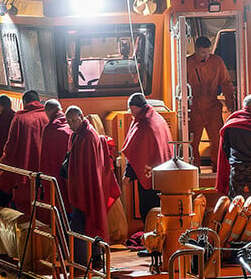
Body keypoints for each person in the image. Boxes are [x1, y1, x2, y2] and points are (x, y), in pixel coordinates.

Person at [65, 106, 115, 265]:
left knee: (83, 224)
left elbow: (85, 168)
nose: (71, 125)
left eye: (73, 120)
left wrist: (80, 191)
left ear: (81, 116)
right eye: (69, 122)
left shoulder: (85, 137)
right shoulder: (83, 133)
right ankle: (94, 257)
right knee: (90, 222)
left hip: (86, 189)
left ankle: (82, 262)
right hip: (89, 187)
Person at [0, 90, 49, 215]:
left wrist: (1, 165)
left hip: (26, 173)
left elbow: (11, 147)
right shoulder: (48, 115)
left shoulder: (20, 118)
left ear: (24, 102)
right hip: (47, 174)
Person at [186, 36, 236, 171]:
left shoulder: (217, 61)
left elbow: (226, 82)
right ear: (196, 50)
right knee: (192, 143)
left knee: (218, 141)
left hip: (213, 107)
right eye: (203, 53)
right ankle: (194, 170)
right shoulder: (187, 63)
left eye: (208, 52)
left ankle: (218, 170)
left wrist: (230, 104)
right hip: (194, 108)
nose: (206, 56)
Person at [121, 93, 172, 221]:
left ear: (135, 107)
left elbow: (135, 151)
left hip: (151, 177)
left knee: (148, 210)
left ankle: (150, 237)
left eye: (131, 110)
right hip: (163, 173)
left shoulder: (143, 125)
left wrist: (128, 175)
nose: (131, 114)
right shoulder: (156, 117)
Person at [39, 99, 72, 220]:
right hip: (72, 176)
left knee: (60, 205)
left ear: (49, 111)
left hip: (56, 176)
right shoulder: (71, 124)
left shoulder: (50, 129)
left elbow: (46, 159)